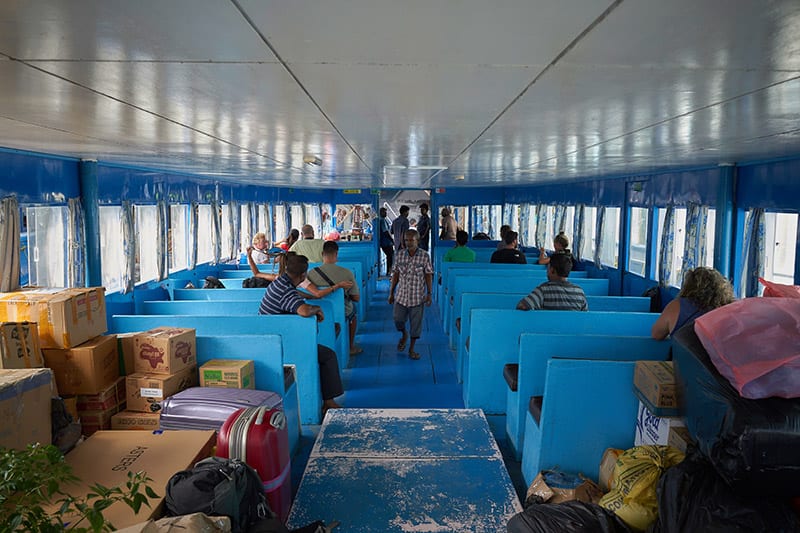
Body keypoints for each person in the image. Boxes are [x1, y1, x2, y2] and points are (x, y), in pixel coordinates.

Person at [258, 253, 344, 413]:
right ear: (303, 275)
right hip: (282, 345)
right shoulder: (286, 291)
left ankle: (326, 396)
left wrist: (308, 297)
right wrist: (317, 308)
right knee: (328, 355)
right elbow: (304, 311)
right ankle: (329, 401)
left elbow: (295, 294)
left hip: (269, 338)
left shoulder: (280, 282)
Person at [306, 241, 362, 356]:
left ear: (322, 253)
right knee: (353, 313)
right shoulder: (347, 273)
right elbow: (356, 298)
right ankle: (350, 347)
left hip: (316, 311)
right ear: (336, 254)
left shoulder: (311, 273)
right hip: (341, 311)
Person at [651, 267, 734, 340]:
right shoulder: (729, 309)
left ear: (688, 286)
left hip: (683, 357)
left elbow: (657, 334)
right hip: (718, 357)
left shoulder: (676, 306)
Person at [388, 228, 433, 360]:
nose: (408, 243)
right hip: (401, 296)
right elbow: (396, 274)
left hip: (417, 297)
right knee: (398, 320)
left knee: (415, 325)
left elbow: (428, 274)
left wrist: (429, 293)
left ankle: (412, 349)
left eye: (411, 240)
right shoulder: (399, 255)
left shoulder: (424, 256)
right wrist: (391, 292)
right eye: (406, 240)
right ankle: (403, 334)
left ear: (417, 240)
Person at [517, 252, 588, 311]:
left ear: (552, 270)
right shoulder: (579, 292)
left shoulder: (543, 289)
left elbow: (522, 306)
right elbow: (585, 316)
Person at [379, 207, 394, 276]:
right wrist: (392, 240)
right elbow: (385, 232)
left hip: (385, 242)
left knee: (390, 256)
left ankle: (389, 270)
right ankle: (389, 271)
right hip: (386, 242)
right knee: (390, 256)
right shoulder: (382, 220)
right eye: (384, 212)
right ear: (381, 212)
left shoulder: (382, 220)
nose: (386, 213)